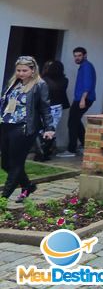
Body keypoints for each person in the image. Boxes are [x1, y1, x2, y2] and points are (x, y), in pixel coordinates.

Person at [1, 56, 55, 201]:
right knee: (5, 163)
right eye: (18, 70)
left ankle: (3, 199)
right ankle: (28, 185)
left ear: (33, 70)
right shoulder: (13, 83)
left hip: (24, 128)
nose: (21, 73)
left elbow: (45, 107)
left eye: (24, 70)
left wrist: (49, 128)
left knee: (16, 163)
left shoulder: (39, 85)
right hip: (7, 125)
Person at [57, 47, 96, 157]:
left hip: (83, 98)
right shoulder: (84, 66)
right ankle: (84, 145)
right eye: (75, 56)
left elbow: (88, 84)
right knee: (75, 121)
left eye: (79, 55)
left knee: (72, 122)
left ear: (85, 55)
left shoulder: (86, 67)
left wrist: (83, 99)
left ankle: (71, 150)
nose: (77, 58)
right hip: (81, 98)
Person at [37, 60, 69, 161]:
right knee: (51, 130)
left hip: (45, 107)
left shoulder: (43, 80)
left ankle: (40, 152)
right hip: (57, 107)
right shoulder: (64, 80)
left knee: (41, 130)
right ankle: (45, 152)